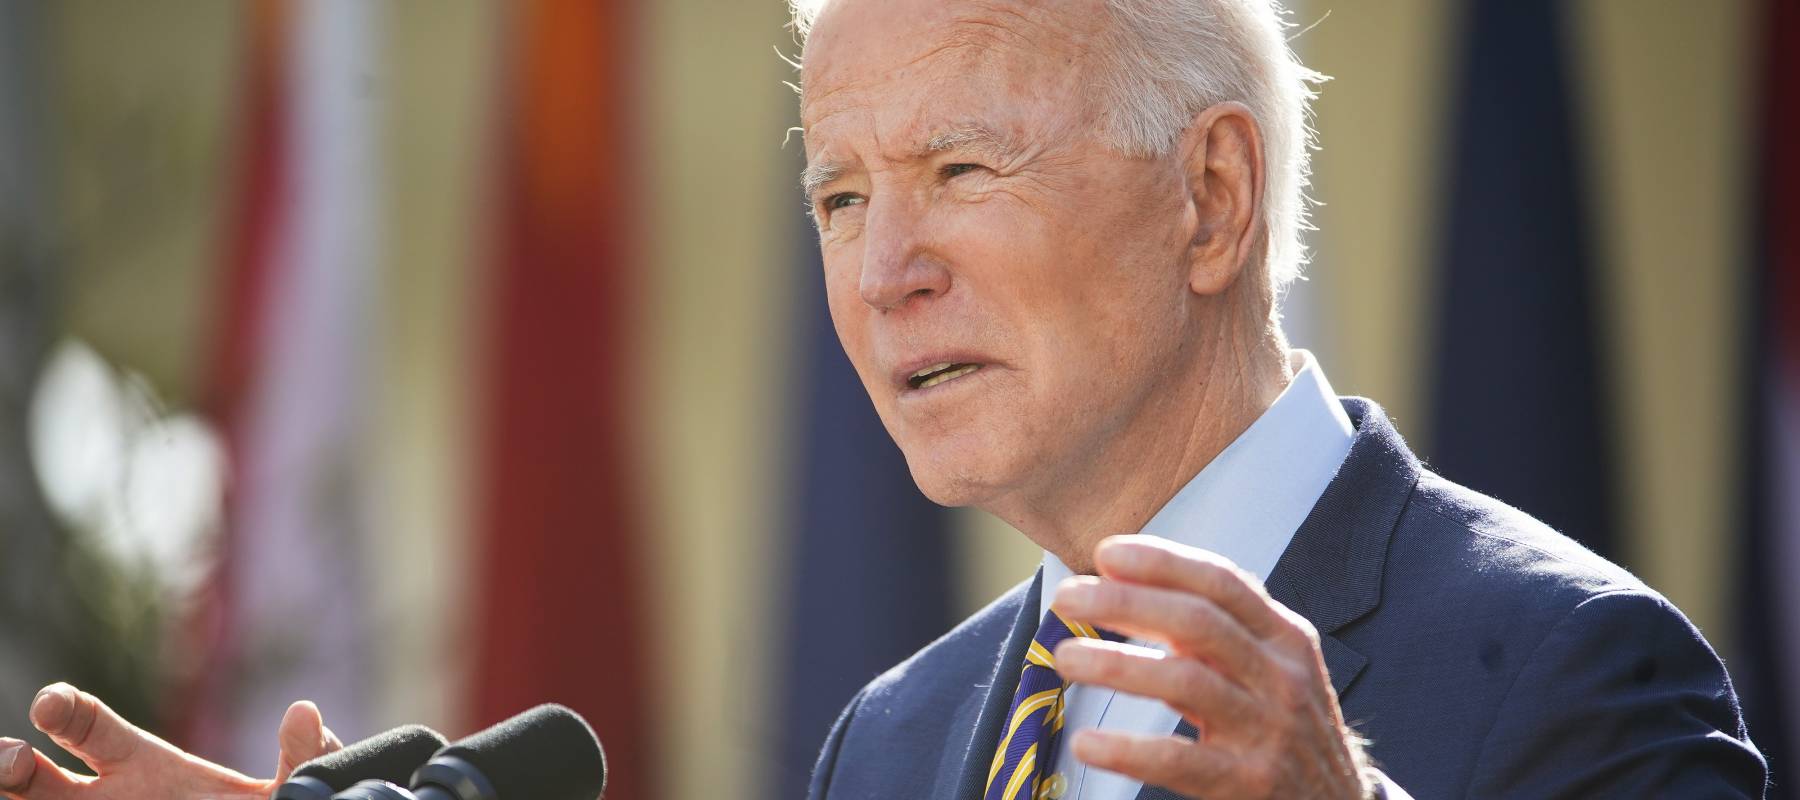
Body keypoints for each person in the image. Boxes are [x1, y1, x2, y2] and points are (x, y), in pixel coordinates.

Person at [0, 0, 1769, 798]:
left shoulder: (1583, 676)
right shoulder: (904, 742)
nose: (877, 272)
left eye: (963, 167)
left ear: (1212, 199)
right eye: (840, 195)